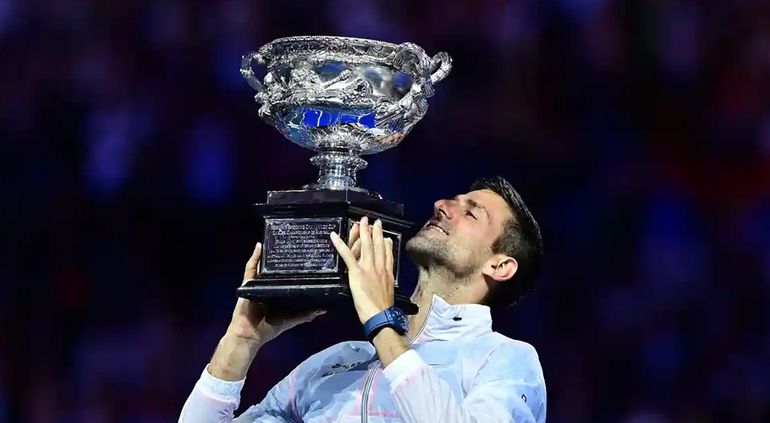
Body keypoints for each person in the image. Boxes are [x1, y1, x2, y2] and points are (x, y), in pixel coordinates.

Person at [179, 176, 546, 422]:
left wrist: (382, 321)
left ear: (500, 265)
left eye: (471, 212)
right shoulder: (335, 364)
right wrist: (239, 342)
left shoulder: (505, 360)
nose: (442, 204)